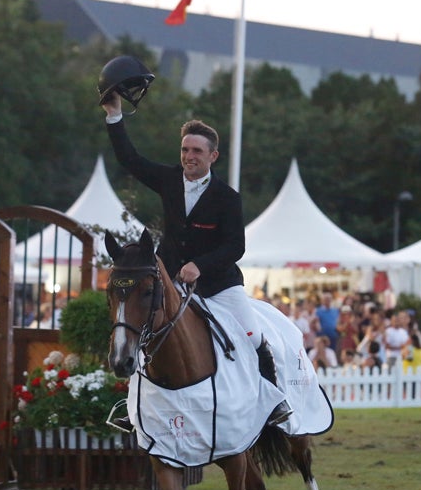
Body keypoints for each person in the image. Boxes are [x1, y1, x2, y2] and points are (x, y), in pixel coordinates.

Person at [103, 90, 291, 426]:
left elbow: (236, 247)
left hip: (219, 284)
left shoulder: (227, 198)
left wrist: (200, 265)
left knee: (253, 334)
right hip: (171, 280)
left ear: (212, 155)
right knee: (144, 329)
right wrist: (114, 114)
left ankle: (273, 400)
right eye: (185, 150)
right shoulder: (168, 179)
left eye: (197, 151)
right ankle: (134, 409)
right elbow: (129, 159)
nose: (189, 156)